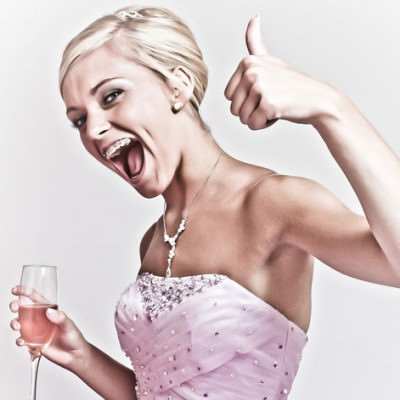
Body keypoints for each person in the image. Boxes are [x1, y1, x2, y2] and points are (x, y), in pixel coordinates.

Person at [9, 5, 400, 400]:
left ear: (178, 86)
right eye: (79, 119)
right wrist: (81, 356)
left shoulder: (272, 202)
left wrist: (330, 107)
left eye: (111, 96)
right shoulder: (154, 238)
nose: (93, 129)